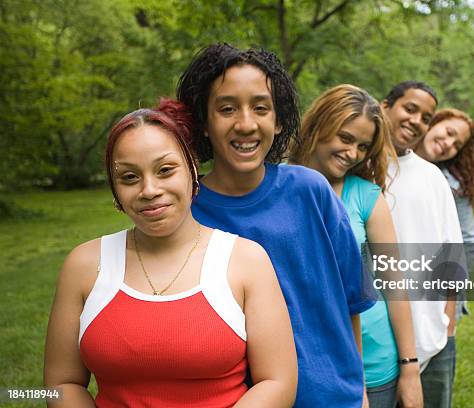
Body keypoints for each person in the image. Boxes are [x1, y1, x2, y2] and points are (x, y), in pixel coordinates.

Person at [44, 99, 297, 407]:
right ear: (115, 189)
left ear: (192, 169)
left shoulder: (246, 262)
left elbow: (277, 382)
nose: (149, 189)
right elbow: (61, 384)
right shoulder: (83, 266)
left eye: (165, 170)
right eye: (129, 177)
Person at [177, 44, 375, 407]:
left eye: (260, 107)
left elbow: (351, 301)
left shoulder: (311, 191)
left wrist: (358, 390)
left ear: (279, 119)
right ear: (203, 123)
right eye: (226, 108)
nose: (246, 123)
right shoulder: (187, 212)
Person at [289, 84, 423, 408]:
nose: (352, 153)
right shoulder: (277, 185)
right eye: (345, 138)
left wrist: (410, 369)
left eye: (362, 146)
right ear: (319, 125)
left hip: (373, 362)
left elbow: (395, 286)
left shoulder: (366, 197)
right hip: (296, 363)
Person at [383, 82, 463, 408]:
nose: (417, 120)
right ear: (385, 106)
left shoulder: (432, 177)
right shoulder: (359, 169)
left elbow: (451, 253)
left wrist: (447, 321)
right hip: (380, 341)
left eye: (426, 116)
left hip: (433, 336)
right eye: (410, 109)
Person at [415, 108, 474, 319]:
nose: (448, 143)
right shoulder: (382, 163)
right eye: (449, 132)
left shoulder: (451, 186)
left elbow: (468, 239)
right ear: (434, 122)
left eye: (457, 145)